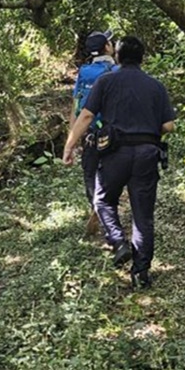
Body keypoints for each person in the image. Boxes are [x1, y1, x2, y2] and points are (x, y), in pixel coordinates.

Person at [62, 36, 176, 289]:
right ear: (143, 57)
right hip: (147, 154)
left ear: (118, 57)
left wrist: (69, 145)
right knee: (143, 216)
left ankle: (118, 241)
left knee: (103, 200)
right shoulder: (156, 86)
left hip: (115, 153)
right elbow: (169, 125)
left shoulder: (106, 81)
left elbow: (87, 114)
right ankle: (141, 273)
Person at [71, 29, 118, 233]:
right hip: (114, 133)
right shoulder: (117, 71)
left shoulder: (83, 72)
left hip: (89, 133)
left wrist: (71, 138)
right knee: (111, 172)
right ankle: (107, 209)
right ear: (107, 47)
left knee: (90, 173)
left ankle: (95, 206)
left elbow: (76, 108)